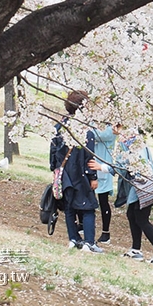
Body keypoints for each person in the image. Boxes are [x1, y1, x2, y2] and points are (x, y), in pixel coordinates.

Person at [93, 127, 153, 264]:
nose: (112, 129)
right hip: (138, 186)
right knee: (132, 215)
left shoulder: (131, 141)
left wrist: (102, 167)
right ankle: (136, 250)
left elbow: (124, 164)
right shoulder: (131, 139)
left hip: (142, 186)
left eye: (115, 126)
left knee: (141, 219)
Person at [50, 90, 103, 254]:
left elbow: (52, 151)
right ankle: (89, 242)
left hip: (64, 174)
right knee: (88, 209)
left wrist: (55, 169)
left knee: (69, 208)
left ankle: (73, 239)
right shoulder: (85, 130)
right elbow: (89, 156)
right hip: (81, 173)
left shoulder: (60, 125)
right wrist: (93, 176)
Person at [86, 122, 119, 244]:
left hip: (103, 167)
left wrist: (85, 128)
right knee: (86, 195)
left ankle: (106, 232)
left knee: (103, 201)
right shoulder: (93, 123)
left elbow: (99, 135)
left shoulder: (111, 129)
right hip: (91, 164)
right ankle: (82, 225)